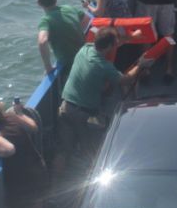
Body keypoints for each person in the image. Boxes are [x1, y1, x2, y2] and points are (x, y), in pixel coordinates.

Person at [57, 27, 154, 165]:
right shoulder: (104, 66)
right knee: (90, 152)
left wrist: (124, 40)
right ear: (109, 46)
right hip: (82, 114)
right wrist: (140, 64)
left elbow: (110, 44)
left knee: (63, 152)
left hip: (65, 107)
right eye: (114, 44)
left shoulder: (84, 49)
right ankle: (90, 181)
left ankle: (56, 179)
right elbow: (126, 79)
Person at [37, 0, 86, 77]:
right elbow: (86, 20)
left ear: (39, 3)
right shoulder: (69, 8)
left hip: (70, 65)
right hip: (85, 55)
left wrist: (48, 68)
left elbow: (42, 41)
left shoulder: (46, 20)